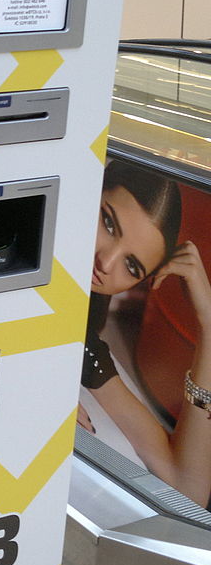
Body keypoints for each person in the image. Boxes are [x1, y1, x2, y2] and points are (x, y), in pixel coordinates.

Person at [79, 159, 211, 507]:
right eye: (108, 222)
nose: (105, 262)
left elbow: (188, 489)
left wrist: (209, 326)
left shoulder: (83, 341)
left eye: (131, 265)